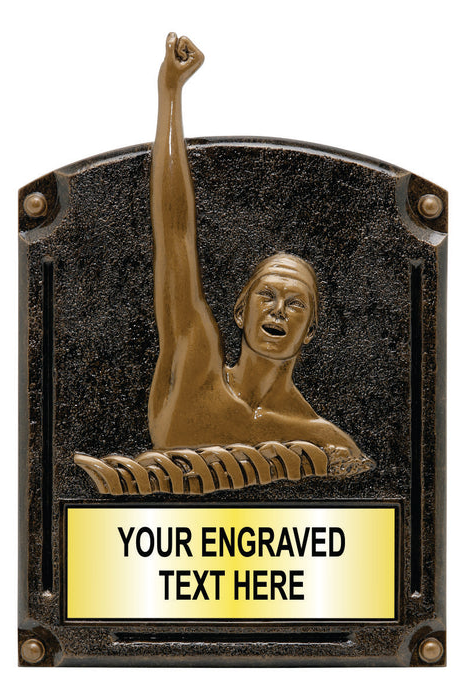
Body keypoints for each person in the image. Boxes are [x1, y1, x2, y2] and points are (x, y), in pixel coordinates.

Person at [148, 34, 368, 468]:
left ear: (311, 330)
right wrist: (169, 94)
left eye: (295, 303)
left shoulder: (326, 442)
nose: (278, 311)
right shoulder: (194, 368)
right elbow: (173, 233)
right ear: (240, 310)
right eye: (266, 295)